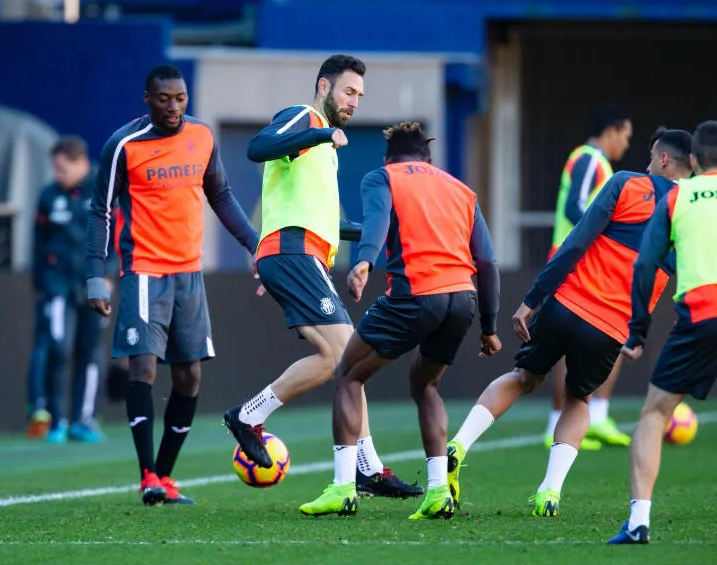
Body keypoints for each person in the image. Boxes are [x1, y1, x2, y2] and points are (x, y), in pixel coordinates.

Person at [446, 129, 694, 517]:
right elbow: (680, 273)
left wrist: (532, 300)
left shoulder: (625, 183)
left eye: (651, 158)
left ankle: (458, 444)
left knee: (523, 376)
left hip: (566, 303)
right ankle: (550, 492)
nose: (646, 166)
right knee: (578, 400)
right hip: (610, 326)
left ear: (664, 159)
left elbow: (576, 241)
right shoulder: (689, 211)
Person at [222, 54, 421, 499]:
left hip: (302, 254)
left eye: (360, 95)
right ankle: (250, 416)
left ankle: (368, 469)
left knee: (350, 359)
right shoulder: (304, 118)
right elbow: (258, 146)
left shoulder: (324, 148)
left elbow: (328, 223)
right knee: (346, 357)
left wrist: (384, 233)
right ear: (324, 86)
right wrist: (320, 134)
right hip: (292, 251)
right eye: (348, 91)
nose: (354, 102)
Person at [299, 121, 501, 519]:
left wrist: (364, 262)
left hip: (416, 294)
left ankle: (343, 487)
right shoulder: (460, 190)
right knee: (425, 384)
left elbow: (378, 220)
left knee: (348, 375)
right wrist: (490, 327)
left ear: (389, 158)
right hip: (462, 299)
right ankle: (438, 492)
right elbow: (487, 260)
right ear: (428, 158)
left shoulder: (384, 176)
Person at [86, 64, 260, 506]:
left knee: (189, 376)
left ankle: (164, 477)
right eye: (164, 99)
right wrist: (94, 275)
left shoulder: (202, 136)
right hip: (144, 270)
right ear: (147, 98)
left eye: (180, 98)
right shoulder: (123, 145)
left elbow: (221, 195)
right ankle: (146, 474)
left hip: (189, 273)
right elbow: (100, 211)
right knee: (143, 369)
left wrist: (255, 245)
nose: (174, 107)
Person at [608, 120, 717, 544]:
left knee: (654, 413)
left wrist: (637, 331)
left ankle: (639, 523)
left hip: (702, 316)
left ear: (696, 162)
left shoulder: (677, 197)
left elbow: (645, 265)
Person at [545, 105, 634, 450]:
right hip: (570, 262)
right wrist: (608, 235)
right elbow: (574, 207)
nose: (626, 144)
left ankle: (596, 417)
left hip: (590, 263)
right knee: (567, 344)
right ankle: (556, 423)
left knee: (610, 333)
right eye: (625, 136)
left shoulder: (602, 164)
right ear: (611, 131)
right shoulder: (588, 159)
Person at [27, 136, 111, 443]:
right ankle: (56, 420)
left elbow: (118, 235)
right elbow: (38, 241)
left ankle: (83, 419)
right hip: (58, 285)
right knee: (58, 348)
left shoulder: (103, 189)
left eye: (62, 169)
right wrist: (39, 282)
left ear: (80, 163)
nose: (57, 175)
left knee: (90, 352)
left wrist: (109, 274)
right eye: (55, 169)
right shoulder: (49, 195)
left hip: (94, 285)